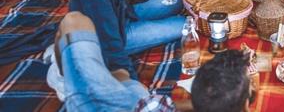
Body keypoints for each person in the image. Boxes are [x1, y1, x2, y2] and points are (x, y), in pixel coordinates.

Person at [53, 11, 254, 112]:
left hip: (90, 104)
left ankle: (65, 80)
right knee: (125, 79)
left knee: (75, 20)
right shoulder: (156, 104)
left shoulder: (158, 104)